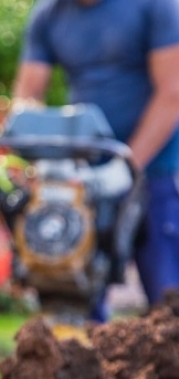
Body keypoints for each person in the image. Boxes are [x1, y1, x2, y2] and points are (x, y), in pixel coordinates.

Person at [13, 0, 179, 309]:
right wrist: (39, 156)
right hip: (86, 179)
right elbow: (28, 95)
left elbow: (172, 93)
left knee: (169, 300)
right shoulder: (49, 15)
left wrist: (126, 166)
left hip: (154, 173)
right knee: (73, 292)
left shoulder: (154, 6)